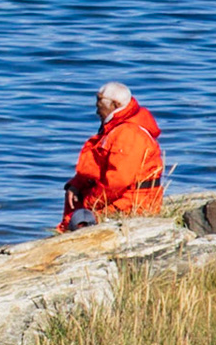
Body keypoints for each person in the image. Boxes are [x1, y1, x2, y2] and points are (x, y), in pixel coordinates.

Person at [59, 81, 165, 232]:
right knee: (74, 205)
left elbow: (118, 182)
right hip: (120, 198)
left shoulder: (129, 134)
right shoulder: (115, 128)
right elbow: (96, 165)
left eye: (99, 101)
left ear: (115, 105)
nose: (96, 108)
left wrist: (90, 203)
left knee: (79, 219)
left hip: (132, 203)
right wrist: (77, 183)